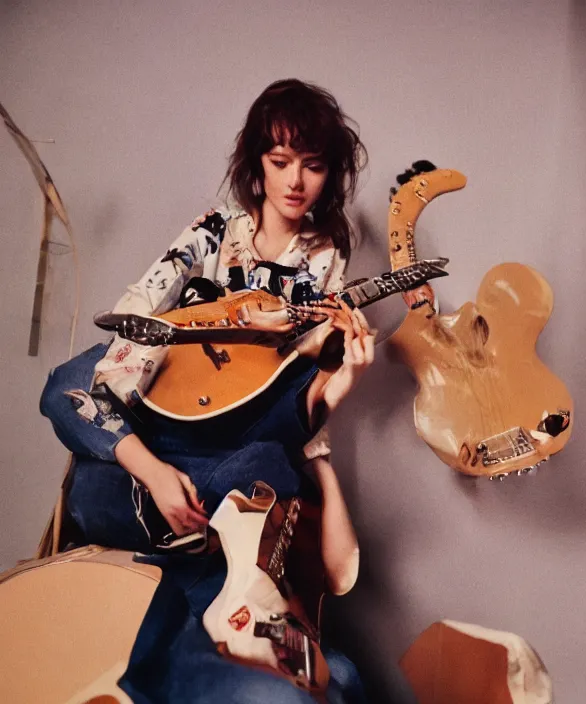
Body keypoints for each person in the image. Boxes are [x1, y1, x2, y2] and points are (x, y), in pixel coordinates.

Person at [39, 78, 374, 703]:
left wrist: (339, 371)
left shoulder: (327, 254)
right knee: (68, 385)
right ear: (257, 164)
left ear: (330, 174)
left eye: (313, 166)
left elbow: (298, 378)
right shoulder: (215, 228)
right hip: (168, 401)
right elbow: (134, 311)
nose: (296, 181)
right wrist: (224, 318)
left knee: (271, 465)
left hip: (244, 425)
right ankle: (169, 497)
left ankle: (236, 586)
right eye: (280, 163)